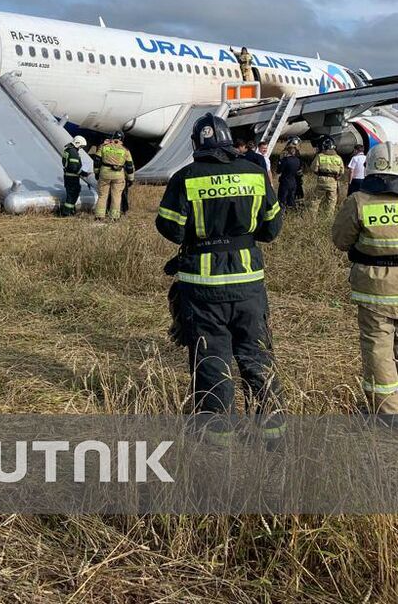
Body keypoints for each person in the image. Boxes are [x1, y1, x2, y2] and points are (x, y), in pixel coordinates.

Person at [156, 113, 284, 446]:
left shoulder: (185, 178)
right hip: (248, 281)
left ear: (196, 144)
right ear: (228, 141)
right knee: (256, 353)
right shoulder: (255, 174)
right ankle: (272, 431)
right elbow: (271, 228)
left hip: (202, 284)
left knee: (211, 357)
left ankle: (217, 435)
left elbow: (169, 227)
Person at [332, 142, 398, 417]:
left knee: (378, 349)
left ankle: (388, 412)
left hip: (375, 290)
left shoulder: (358, 202)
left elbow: (340, 240)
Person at [93, 131, 134, 222]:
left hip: (104, 173)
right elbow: (130, 166)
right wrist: (131, 179)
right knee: (116, 196)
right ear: (122, 139)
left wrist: (96, 173)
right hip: (118, 175)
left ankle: (99, 216)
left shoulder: (104, 147)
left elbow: (96, 161)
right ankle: (114, 217)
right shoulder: (125, 150)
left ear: (113, 137)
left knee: (102, 196)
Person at [310, 137, 345, 215]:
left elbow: (314, 168)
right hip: (333, 181)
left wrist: (319, 174)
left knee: (316, 199)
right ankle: (328, 216)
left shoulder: (320, 156)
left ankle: (312, 216)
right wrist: (337, 176)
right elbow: (342, 171)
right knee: (332, 200)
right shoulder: (338, 158)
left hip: (321, 180)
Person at [61, 136, 88, 216]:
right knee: (72, 195)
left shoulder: (68, 149)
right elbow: (73, 167)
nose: (80, 148)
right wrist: (83, 173)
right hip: (72, 177)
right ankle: (66, 213)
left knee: (71, 194)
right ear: (77, 143)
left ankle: (70, 211)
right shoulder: (73, 152)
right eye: (81, 146)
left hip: (68, 176)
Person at [277, 145, 302, 211]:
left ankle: (282, 212)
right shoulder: (297, 160)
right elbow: (298, 171)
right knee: (291, 198)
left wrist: (280, 160)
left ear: (287, 152)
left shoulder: (285, 160)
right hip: (293, 182)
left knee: (282, 198)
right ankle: (291, 211)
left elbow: (278, 171)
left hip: (285, 182)